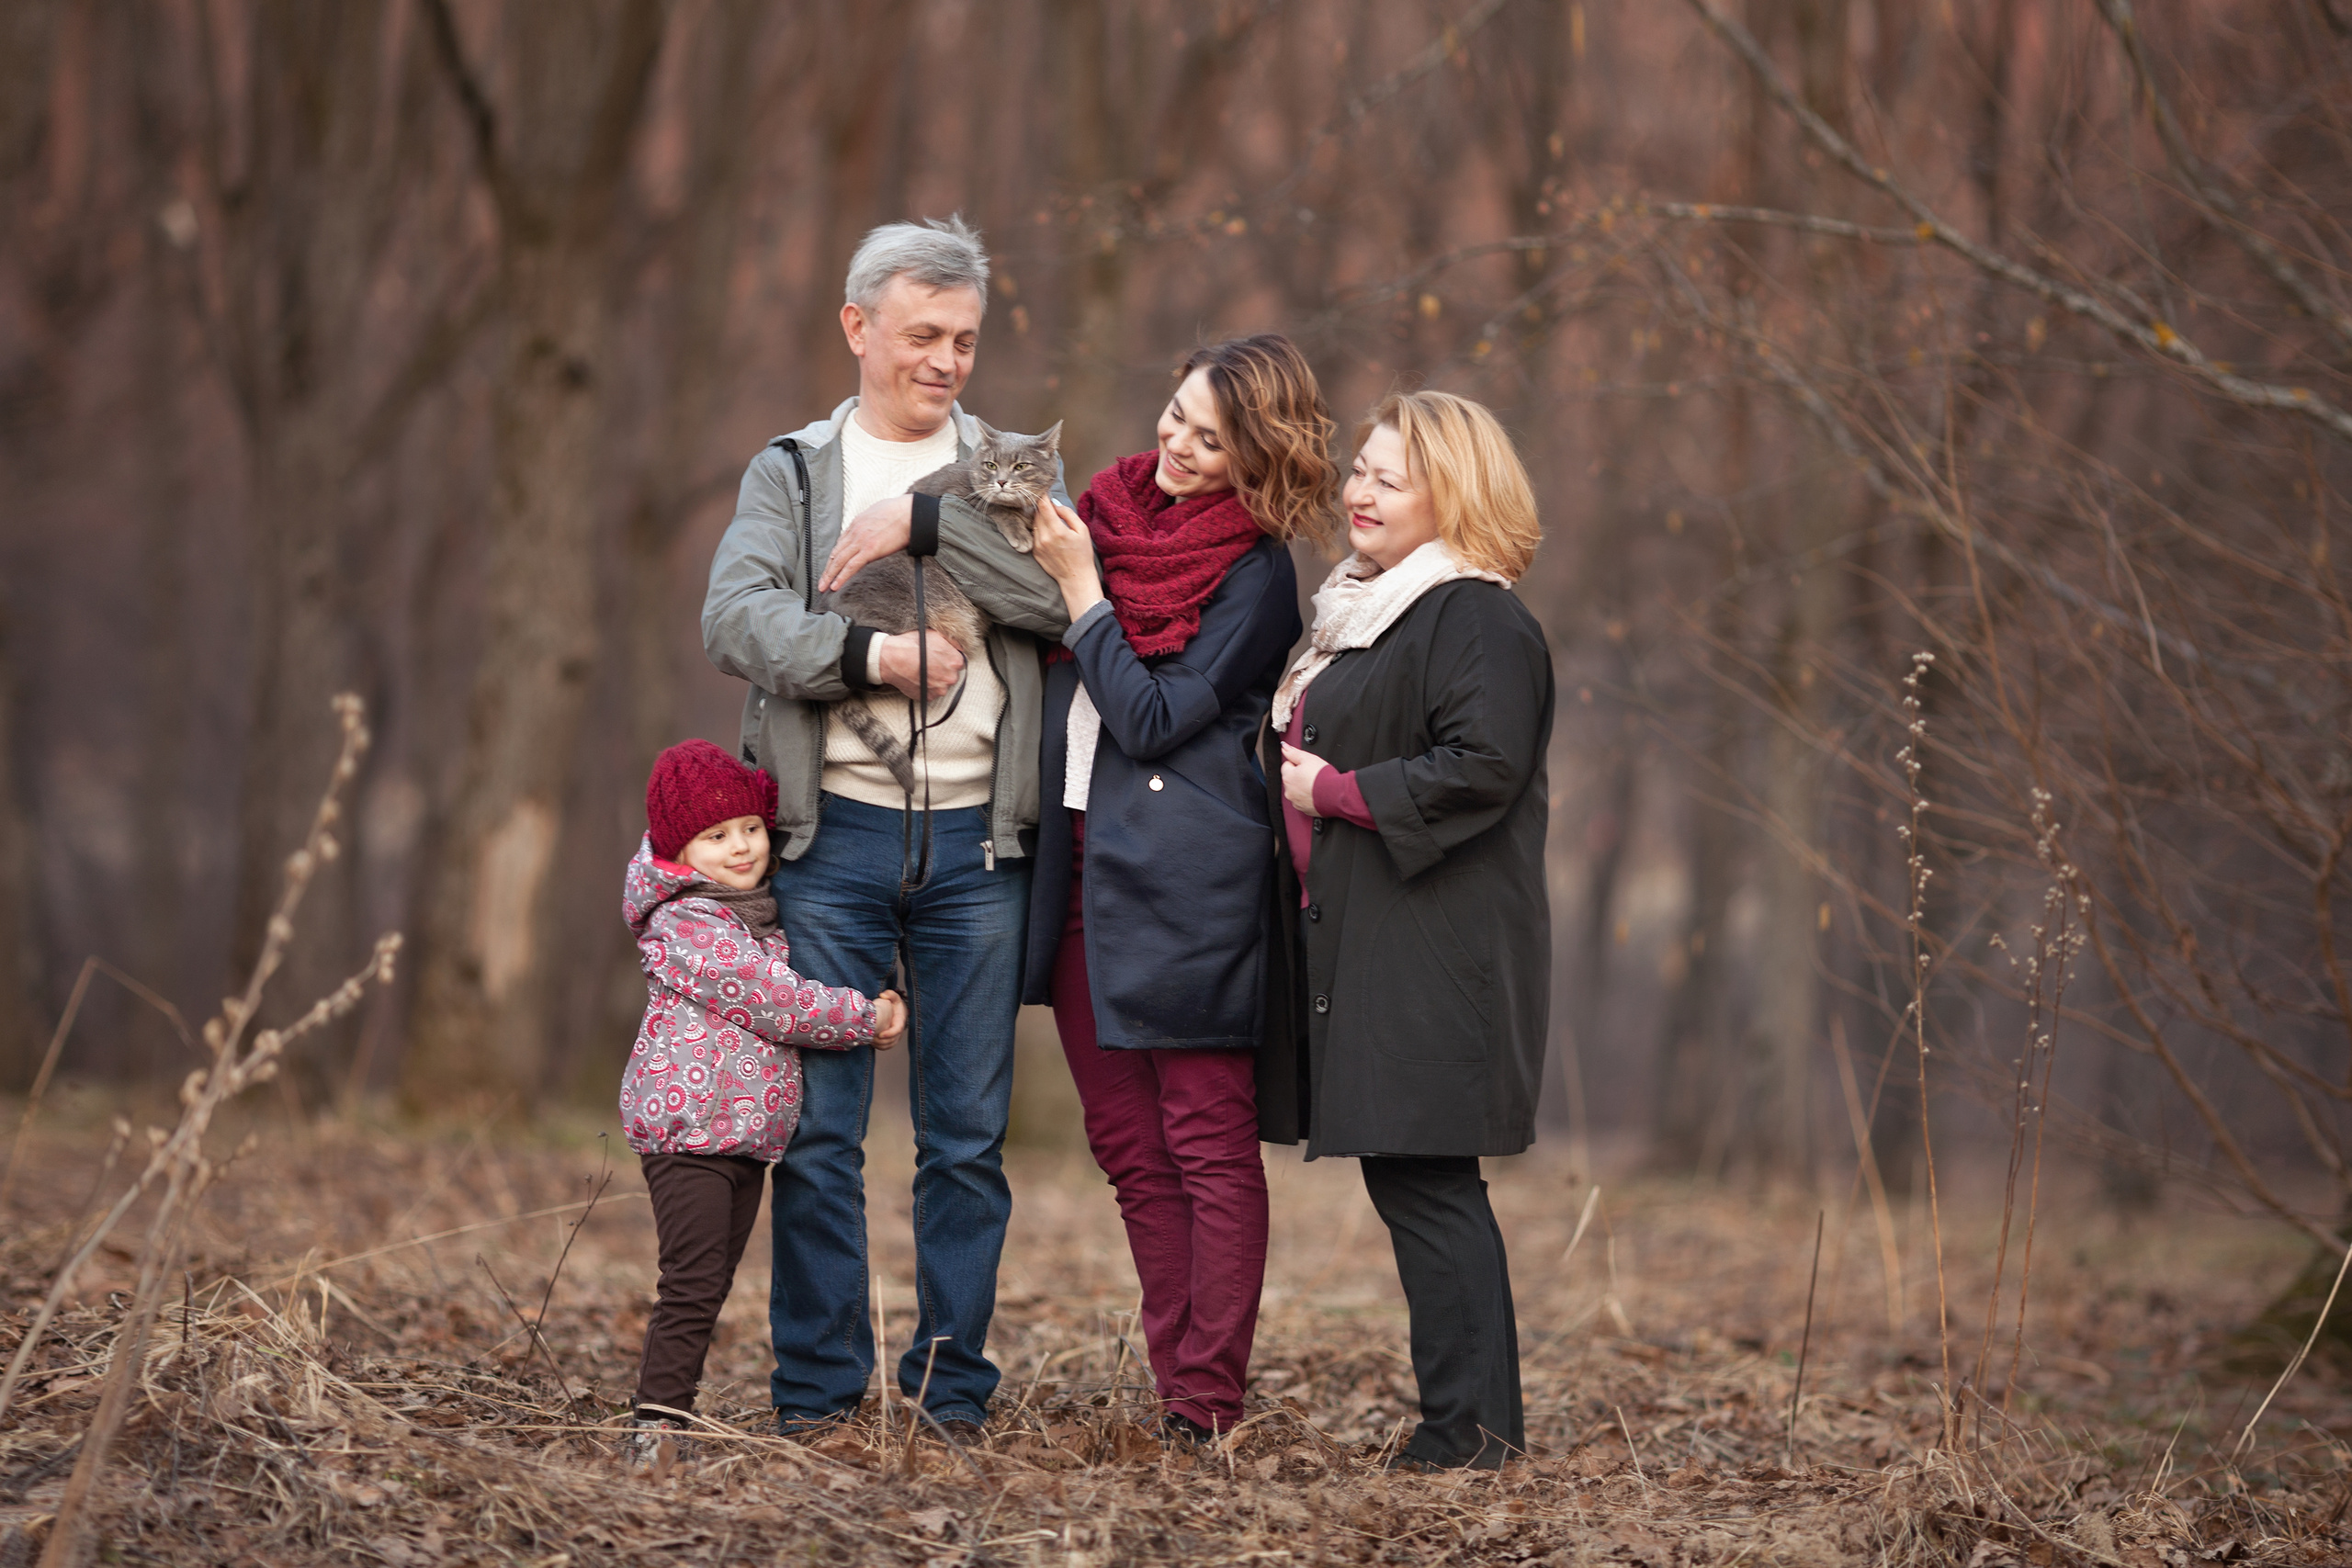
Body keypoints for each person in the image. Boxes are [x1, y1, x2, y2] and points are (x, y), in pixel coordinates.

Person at [700, 216, 1069, 1441]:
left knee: (965, 1144)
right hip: (830, 842)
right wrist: (867, 655)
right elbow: (734, 618)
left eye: (964, 338)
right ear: (857, 328)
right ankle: (817, 1396)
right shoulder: (794, 473)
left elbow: (1059, 602)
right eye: (922, 334)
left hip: (980, 850)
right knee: (819, 1136)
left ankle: (949, 1397)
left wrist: (930, 526)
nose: (946, 361)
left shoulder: (1008, 469)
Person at [1022, 335, 1336, 1443]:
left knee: (1205, 1143)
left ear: (1257, 458)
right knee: (1127, 1149)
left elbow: (1153, 717)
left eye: (1212, 439)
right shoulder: (1101, 518)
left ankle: (1207, 1401)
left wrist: (1081, 596)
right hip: (1076, 865)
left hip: (1187, 884)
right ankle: (1177, 1392)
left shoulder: (1256, 575)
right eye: (1177, 415)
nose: (1180, 445)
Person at [1260, 390, 1552, 1471]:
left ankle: (1467, 1438)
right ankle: (1472, 1429)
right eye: (1360, 470)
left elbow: (1485, 763)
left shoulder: (1472, 614)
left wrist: (1334, 793)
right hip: (1375, 937)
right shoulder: (1368, 610)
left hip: (1435, 947)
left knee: (1426, 1183)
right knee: (1416, 1181)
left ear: (1454, 495)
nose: (1361, 492)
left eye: (1392, 478)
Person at [617, 740, 908, 1472]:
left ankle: (668, 1418)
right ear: (679, 850)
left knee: (709, 1282)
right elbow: (774, 1000)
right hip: (690, 1133)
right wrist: (864, 1016)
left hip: (744, 1135)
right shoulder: (688, 921)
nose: (741, 846)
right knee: (691, 1283)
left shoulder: (749, 912)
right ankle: (653, 1429)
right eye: (716, 836)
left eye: (749, 827)